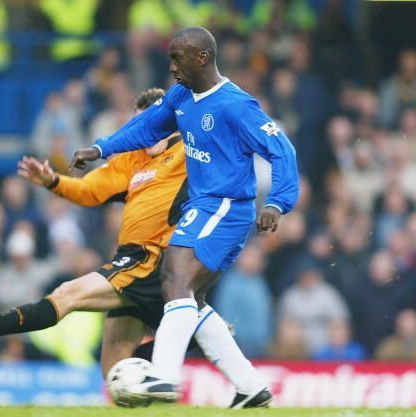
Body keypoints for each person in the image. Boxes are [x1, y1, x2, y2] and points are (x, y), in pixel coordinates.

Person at [0, 88, 268, 408]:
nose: (148, 134)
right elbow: (89, 190)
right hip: (129, 260)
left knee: (68, 294)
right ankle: (197, 337)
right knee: (115, 371)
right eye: (141, 127)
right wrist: (53, 182)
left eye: (153, 125)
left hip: (152, 259)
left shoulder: (187, 152)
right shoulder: (130, 162)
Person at [70, 26, 299, 405]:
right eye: (170, 58)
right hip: (204, 206)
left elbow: (282, 149)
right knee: (193, 296)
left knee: (175, 274)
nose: (172, 67)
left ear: (202, 57)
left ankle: (163, 376)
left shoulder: (235, 105)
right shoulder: (180, 96)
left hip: (226, 205)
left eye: (178, 58)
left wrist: (277, 202)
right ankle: (249, 387)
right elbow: (146, 127)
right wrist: (101, 148)